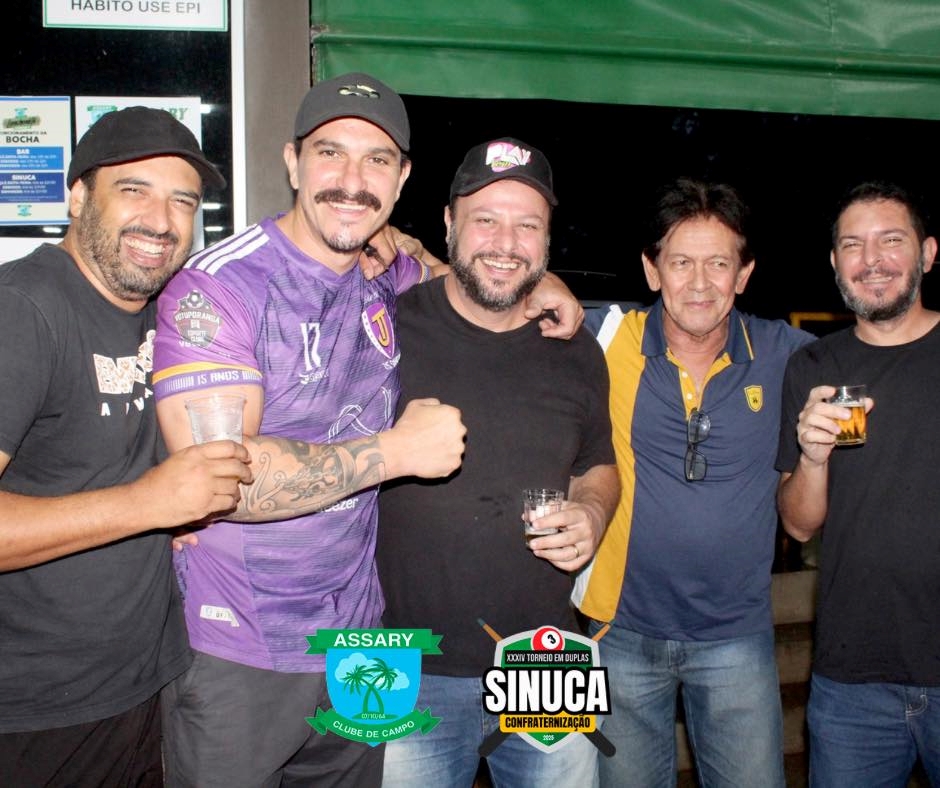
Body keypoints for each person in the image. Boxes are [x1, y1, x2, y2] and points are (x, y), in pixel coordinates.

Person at [152, 76, 580, 787]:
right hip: (243, 645)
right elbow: (214, 483)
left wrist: (539, 283)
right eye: (330, 153)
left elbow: (475, 274)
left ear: (402, 179)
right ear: (292, 162)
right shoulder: (220, 286)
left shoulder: (390, 277)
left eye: (376, 160)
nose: (352, 181)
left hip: (363, 644)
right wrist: (396, 452)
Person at [0, 107, 252, 786]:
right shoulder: (22, 309)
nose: (161, 221)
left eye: (183, 201)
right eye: (133, 190)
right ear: (78, 197)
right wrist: (148, 504)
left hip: (137, 687)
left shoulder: (164, 309)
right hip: (32, 713)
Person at [376, 136, 619, 787]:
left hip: (546, 657)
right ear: (448, 223)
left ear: (548, 240)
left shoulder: (575, 349)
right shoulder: (385, 331)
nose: (506, 243)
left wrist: (593, 513)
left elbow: (599, 466)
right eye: (485, 219)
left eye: (527, 225)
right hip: (398, 658)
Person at [573, 177, 814, 787]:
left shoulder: (788, 354)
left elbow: (878, 354)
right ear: (652, 270)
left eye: (719, 263)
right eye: (681, 262)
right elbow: (503, 300)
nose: (700, 283)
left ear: (744, 274)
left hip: (737, 636)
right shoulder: (605, 336)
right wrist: (406, 250)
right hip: (617, 632)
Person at [776, 181, 940, 787]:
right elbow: (798, 525)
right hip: (852, 681)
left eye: (890, 240)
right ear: (834, 262)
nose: (872, 260)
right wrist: (813, 458)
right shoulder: (814, 367)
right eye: (853, 245)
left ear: (927, 253)